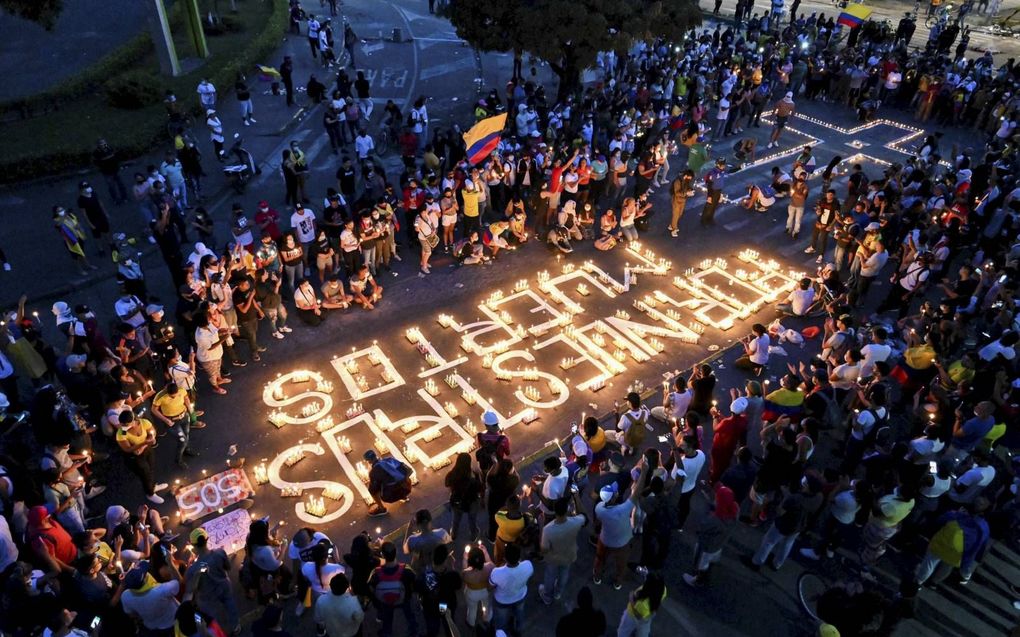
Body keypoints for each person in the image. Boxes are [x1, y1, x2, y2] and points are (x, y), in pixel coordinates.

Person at [593, 457, 646, 590]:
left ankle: (597, 577)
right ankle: (617, 582)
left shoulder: (599, 508)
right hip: (622, 543)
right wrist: (644, 473)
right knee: (621, 565)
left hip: (605, 540)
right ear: (614, 497)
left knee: (600, 559)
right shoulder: (623, 509)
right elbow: (637, 492)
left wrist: (602, 474)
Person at [185, 528, 239, 635]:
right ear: (207, 539)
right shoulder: (220, 552)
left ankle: (219, 631)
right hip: (224, 586)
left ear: (193, 545)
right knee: (230, 604)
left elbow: (190, 589)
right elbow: (227, 567)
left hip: (208, 596)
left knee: (213, 616)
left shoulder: (193, 569)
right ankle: (235, 627)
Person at [682, 484, 739, 587]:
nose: (716, 499)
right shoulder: (735, 511)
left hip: (707, 546)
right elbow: (722, 507)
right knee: (710, 560)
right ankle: (703, 575)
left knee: (701, 564)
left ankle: (698, 581)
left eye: (718, 497)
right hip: (719, 544)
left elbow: (702, 526)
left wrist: (708, 506)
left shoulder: (715, 521)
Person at [540, 497, 586, 604]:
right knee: (564, 573)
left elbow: (544, 549)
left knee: (550, 575)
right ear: (567, 510)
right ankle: (558, 593)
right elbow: (584, 515)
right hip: (569, 555)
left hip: (553, 558)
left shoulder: (548, 529)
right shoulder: (576, 521)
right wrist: (577, 496)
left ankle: (547, 595)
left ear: (555, 511)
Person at [368, 541, 418, 637]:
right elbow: (415, 584)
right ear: (396, 552)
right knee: (409, 615)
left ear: (382, 554)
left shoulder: (375, 573)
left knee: (387, 618)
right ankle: (413, 631)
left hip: (386, 602)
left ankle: (387, 632)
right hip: (404, 600)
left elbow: (371, 587)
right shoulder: (406, 570)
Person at [489, 542, 533, 636]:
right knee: (519, 615)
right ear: (519, 556)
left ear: (505, 558)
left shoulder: (497, 572)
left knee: (502, 620)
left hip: (502, 601)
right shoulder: (528, 565)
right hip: (520, 597)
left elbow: (490, 586)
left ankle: (503, 633)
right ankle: (518, 631)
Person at [445, 452, 483, 542]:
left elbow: (447, 485)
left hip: (457, 502)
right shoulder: (473, 478)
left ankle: (453, 534)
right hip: (472, 502)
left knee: (456, 520)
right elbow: (480, 488)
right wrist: (478, 475)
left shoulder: (451, 475)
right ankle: (473, 535)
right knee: (472, 520)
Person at [364, 450, 413, 517]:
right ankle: (404, 496)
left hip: (390, 497)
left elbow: (373, 490)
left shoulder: (374, 472)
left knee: (372, 490)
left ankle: (382, 509)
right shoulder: (390, 460)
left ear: (368, 461)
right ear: (376, 455)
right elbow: (409, 471)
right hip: (407, 489)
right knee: (402, 476)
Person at [616, 572, 666, 637]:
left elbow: (638, 616)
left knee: (623, 631)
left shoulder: (642, 603)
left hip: (632, 616)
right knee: (642, 632)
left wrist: (631, 599)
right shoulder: (663, 590)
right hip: (648, 616)